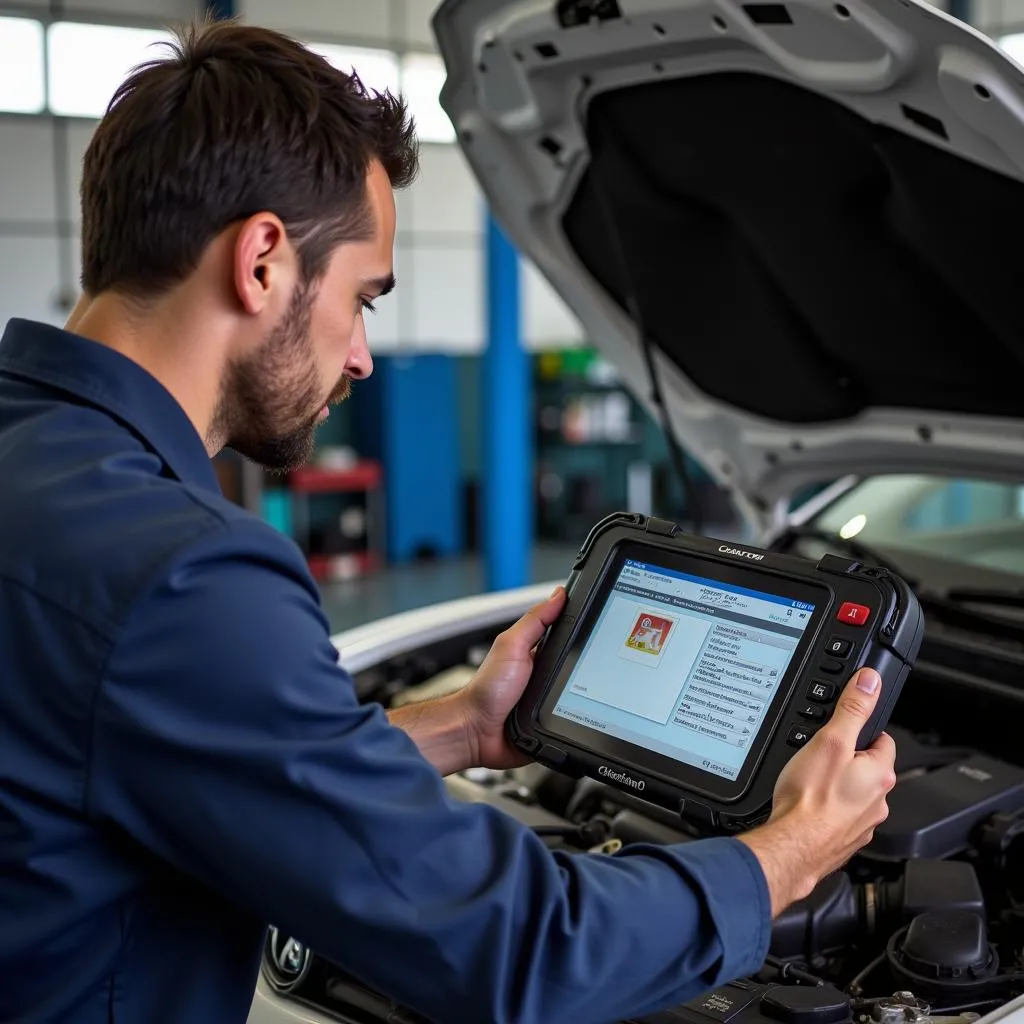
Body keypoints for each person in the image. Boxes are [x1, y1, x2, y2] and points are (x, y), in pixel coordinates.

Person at [0, 17, 897, 1024]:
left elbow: (189, 754)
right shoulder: (179, 576)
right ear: (260, 262)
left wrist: (463, 726)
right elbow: (519, 950)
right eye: (364, 299)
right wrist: (785, 854)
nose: (360, 359)